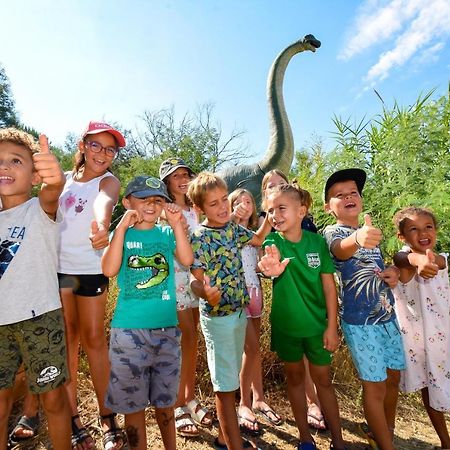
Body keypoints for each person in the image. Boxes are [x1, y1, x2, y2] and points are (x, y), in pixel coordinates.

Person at [8, 121, 127, 449]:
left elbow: (105, 201)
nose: (102, 153)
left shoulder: (109, 181)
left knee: (94, 342)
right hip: (56, 271)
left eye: (110, 148)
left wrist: (102, 225)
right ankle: (74, 419)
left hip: (91, 270)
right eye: (96, 145)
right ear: (82, 145)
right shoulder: (64, 182)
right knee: (66, 343)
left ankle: (107, 418)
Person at [102, 175, 193, 450]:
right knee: (133, 405)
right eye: (143, 199)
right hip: (129, 331)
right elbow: (108, 269)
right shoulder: (123, 235)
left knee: (166, 403)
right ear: (128, 202)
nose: (151, 205)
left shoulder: (166, 234)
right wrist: (119, 230)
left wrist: (177, 225)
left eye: (157, 200)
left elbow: (187, 260)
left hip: (166, 329)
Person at [258, 183, 347, 450]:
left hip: (317, 327)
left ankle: (339, 441)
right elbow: (265, 265)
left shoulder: (317, 243)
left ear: (301, 211)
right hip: (286, 328)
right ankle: (305, 439)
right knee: (295, 380)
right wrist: (267, 270)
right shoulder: (272, 242)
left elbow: (329, 287)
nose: (275, 215)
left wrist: (332, 326)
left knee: (323, 382)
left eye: (281, 208)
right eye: (270, 210)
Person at [323, 168, 405, 450]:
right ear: (328, 207)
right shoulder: (334, 232)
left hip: (388, 317)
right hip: (360, 324)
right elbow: (340, 250)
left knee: (393, 378)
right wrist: (357, 238)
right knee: (375, 385)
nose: (348, 197)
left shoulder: (369, 231)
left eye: (353, 193)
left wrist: (392, 272)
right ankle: (386, 446)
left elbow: (378, 269)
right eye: (339, 195)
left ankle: (384, 429)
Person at [188, 172, 271, 450]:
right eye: (213, 204)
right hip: (218, 319)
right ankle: (233, 445)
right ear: (200, 209)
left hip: (238, 313)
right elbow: (195, 280)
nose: (223, 207)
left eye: (224, 199)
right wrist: (205, 292)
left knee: (231, 380)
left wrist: (271, 213)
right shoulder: (198, 236)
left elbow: (258, 240)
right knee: (224, 389)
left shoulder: (234, 229)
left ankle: (226, 437)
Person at [0, 128, 71, 449]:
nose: (5, 167)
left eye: (16, 161)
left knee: (54, 401)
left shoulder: (40, 210)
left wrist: (55, 181)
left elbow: (52, 192)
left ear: (33, 175)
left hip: (41, 320)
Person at [259, 170, 325, 430]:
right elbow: (264, 258)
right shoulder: (271, 231)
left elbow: (322, 271)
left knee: (314, 361)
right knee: (296, 366)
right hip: (290, 311)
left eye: (281, 186)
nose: (275, 190)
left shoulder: (310, 232)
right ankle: (308, 408)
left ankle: (315, 402)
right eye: (269, 189)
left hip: (313, 309)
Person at [159, 157, 213, 437]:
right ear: (166, 182)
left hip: (195, 279)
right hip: (174, 281)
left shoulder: (194, 209)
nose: (181, 178)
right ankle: (177, 404)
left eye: (185, 174)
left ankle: (189, 397)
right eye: (175, 175)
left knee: (193, 340)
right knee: (185, 338)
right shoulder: (163, 209)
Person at [392, 207, 450, 450]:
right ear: (402, 237)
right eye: (413, 229)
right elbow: (400, 259)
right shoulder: (403, 263)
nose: (423, 233)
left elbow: (439, 262)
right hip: (422, 347)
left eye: (428, 227)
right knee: (431, 392)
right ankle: (446, 443)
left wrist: (428, 260)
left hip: (446, 340)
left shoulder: (443, 258)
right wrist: (416, 259)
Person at [228, 188, 282, 435]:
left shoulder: (250, 232)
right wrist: (269, 221)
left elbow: (259, 258)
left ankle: (254, 400)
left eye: (248, 201)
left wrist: (265, 267)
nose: (244, 204)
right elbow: (259, 238)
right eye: (238, 201)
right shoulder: (227, 230)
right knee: (246, 349)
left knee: (253, 349)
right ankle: (243, 404)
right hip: (236, 295)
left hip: (255, 292)